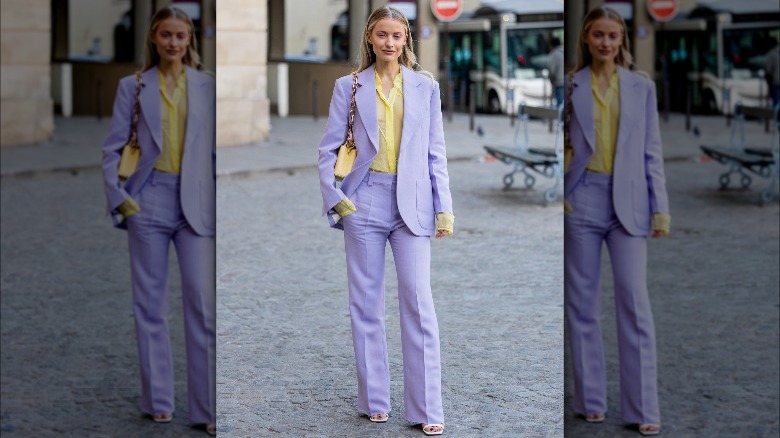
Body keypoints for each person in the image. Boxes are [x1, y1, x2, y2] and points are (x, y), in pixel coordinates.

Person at [317, 6, 453, 436]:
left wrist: (443, 207)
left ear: (406, 39)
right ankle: (375, 399)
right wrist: (337, 200)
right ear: (370, 39)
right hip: (364, 201)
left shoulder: (425, 87)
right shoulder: (349, 86)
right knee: (365, 304)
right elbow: (329, 148)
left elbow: (436, 152)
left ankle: (428, 407)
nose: (389, 42)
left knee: (418, 302)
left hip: (412, 203)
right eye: (381, 35)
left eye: (397, 35)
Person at [101, 6, 216, 435]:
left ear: (190, 41)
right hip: (147, 201)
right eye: (165, 35)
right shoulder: (131, 87)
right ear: (153, 37)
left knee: (202, 306)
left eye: (180, 36)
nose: (173, 42)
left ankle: (206, 410)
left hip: (196, 205)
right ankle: (158, 401)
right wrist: (121, 199)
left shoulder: (206, 87)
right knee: (150, 306)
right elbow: (112, 148)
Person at [563, 6, 670, 437]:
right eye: (599, 35)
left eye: (614, 35)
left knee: (634, 302)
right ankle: (590, 400)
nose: (606, 42)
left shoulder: (641, 87)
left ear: (622, 39)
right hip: (581, 199)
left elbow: (652, 151)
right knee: (582, 304)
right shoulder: (571, 84)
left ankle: (643, 407)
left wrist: (659, 207)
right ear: (587, 38)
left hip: (630, 202)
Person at [548, 36, 564, 108]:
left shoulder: (554, 54)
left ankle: (560, 119)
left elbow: (552, 70)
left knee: (559, 104)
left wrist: (551, 80)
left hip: (559, 82)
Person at [764, 40, 780, 109]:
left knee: (776, 102)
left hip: (776, 81)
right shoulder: (774, 53)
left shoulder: (772, 54)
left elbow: (768, 69)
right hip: (776, 82)